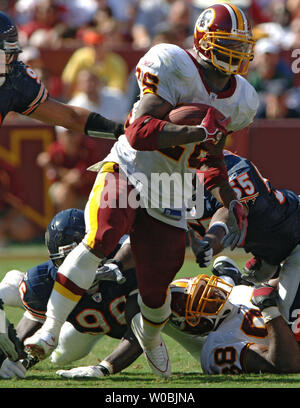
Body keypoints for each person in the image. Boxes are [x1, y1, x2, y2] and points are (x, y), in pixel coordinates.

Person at [24, 3, 258, 378]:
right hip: (131, 167)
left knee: (156, 287)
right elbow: (138, 132)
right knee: (102, 236)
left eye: (241, 44)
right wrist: (197, 131)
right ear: (203, 40)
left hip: (171, 187)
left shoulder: (243, 98)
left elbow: (210, 157)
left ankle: (150, 340)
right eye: (227, 42)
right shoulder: (172, 63)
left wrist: (229, 200)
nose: (237, 52)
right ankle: (49, 330)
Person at [56, 256, 300, 378]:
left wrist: (266, 274)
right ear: (196, 324)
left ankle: (236, 276)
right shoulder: (218, 345)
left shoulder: (232, 294)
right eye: (205, 303)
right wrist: (269, 310)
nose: (214, 296)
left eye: (209, 291)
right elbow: (286, 365)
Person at [0, 208, 140, 378]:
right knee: (60, 355)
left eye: (79, 257)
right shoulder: (45, 280)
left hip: (105, 321)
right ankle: (9, 287)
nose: (74, 268)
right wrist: (13, 358)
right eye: (64, 261)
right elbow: (25, 335)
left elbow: (143, 330)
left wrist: (103, 368)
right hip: (82, 324)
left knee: (171, 306)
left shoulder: (126, 259)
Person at [187, 149, 300, 338]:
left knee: (285, 327)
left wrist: (209, 240)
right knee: (275, 324)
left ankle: (237, 283)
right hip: (277, 251)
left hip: (296, 236)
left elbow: (230, 210)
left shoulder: (231, 167)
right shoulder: (170, 186)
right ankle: (241, 284)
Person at [0, 11, 123, 140]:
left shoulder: (15, 80)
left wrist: (121, 133)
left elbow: (71, 117)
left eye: (8, 57)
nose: (5, 64)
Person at [36, 126, 101, 212]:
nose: (72, 137)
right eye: (69, 133)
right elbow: (54, 178)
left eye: (75, 132)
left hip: (89, 195)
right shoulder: (54, 150)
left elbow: (76, 178)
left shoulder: (88, 148)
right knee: (62, 193)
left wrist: (55, 169)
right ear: (59, 135)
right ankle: (66, 222)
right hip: (69, 194)